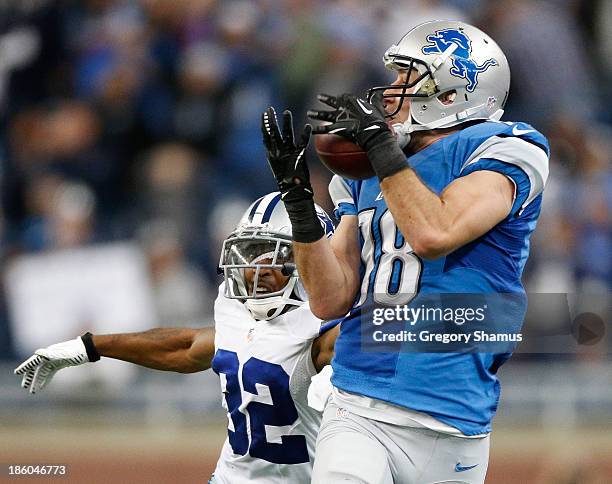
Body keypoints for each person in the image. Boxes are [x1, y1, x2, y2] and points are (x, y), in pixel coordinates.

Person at [263, 20, 549, 483]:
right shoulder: (369, 167)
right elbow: (330, 299)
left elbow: (436, 233)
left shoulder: (507, 146)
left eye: (408, 77)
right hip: (358, 399)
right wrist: (299, 202)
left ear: (456, 90)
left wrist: (378, 146)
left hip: (452, 408)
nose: (393, 91)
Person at [14, 192, 339, 484]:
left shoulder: (328, 330)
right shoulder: (236, 308)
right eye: (252, 253)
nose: (257, 269)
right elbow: (188, 348)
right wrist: (88, 346)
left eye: (274, 255)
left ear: (312, 263)